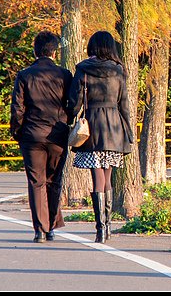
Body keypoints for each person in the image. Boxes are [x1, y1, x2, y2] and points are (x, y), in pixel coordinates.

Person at [67, 30, 134, 243]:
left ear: (92, 46)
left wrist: (70, 116)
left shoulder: (83, 69)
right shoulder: (119, 71)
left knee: (96, 177)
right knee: (108, 177)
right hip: (114, 126)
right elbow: (124, 104)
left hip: (93, 126)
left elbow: (75, 101)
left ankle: (100, 229)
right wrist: (129, 132)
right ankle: (109, 227)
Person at [10, 31, 73, 243]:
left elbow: (17, 108)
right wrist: (67, 121)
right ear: (54, 52)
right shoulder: (64, 75)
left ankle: (39, 230)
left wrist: (17, 131)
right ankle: (52, 227)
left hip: (32, 135)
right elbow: (71, 105)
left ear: (35, 50)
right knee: (54, 181)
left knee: (36, 182)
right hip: (58, 135)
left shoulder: (24, 75)